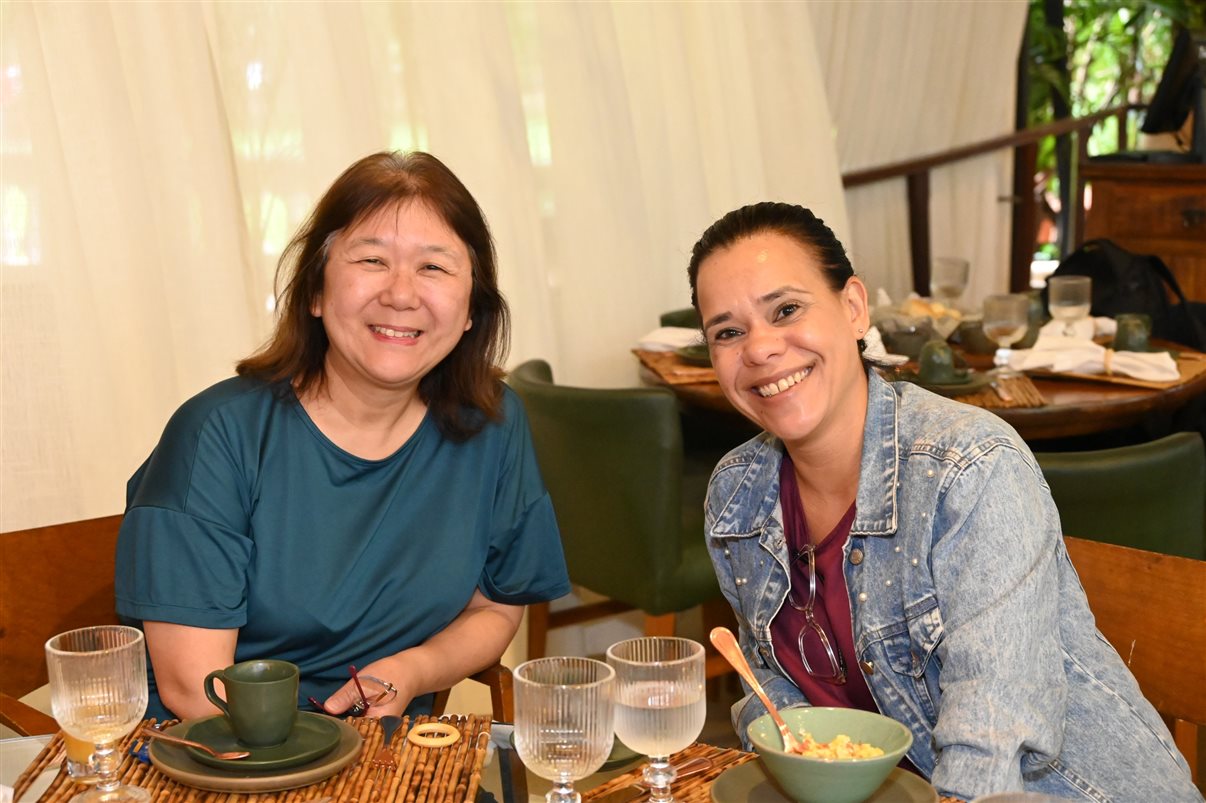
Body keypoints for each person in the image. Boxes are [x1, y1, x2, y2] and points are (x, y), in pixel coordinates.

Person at [687, 202, 1201, 801]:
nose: (760, 349)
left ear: (854, 308)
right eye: (728, 331)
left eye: (787, 309)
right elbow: (773, 688)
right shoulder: (737, 495)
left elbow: (989, 753)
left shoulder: (970, 469)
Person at [115, 151, 571, 722]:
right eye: (372, 260)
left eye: (434, 267)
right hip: (222, 755)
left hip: (390, 755)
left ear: (471, 309)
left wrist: (414, 670)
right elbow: (195, 693)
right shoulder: (218, 435)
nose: (402, 294)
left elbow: (496, 607)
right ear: (314, 292)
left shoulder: (493, 423)